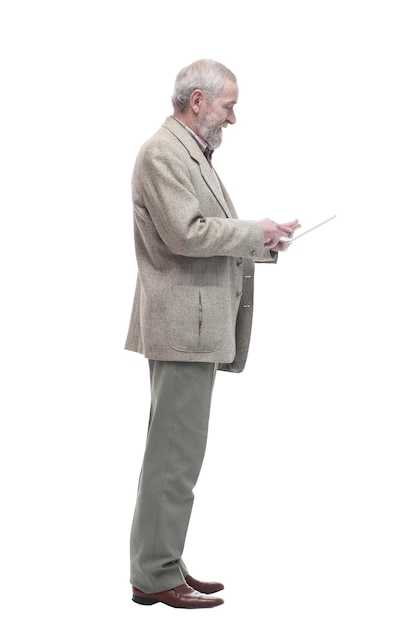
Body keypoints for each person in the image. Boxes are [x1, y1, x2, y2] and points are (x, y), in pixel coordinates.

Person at [125, 58, 299, 610]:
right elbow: (187, 233)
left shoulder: (187, 152)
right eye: (228, 105)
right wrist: (254, 230)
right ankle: (154, 575)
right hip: (182, 328)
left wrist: (262, 244)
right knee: (174, 457)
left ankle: (164, 562)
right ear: (196, 101)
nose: (233, 117)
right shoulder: (162, 153)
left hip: (191, 325)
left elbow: (205, 234)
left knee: (178, 455)